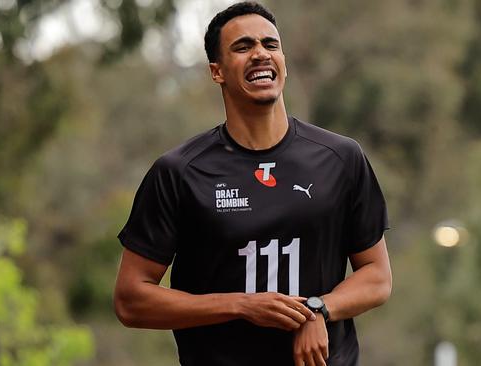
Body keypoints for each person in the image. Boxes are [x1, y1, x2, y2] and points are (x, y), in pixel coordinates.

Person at [114, 2, 392, 365]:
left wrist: (318, 310)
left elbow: (377, 277)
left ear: (284, 62)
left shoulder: (341, 157)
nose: (260, 54)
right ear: (217, 72)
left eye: (270, 44)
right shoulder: (179, 172)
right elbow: (131, 300)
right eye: (243, 47)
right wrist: (240, 305)